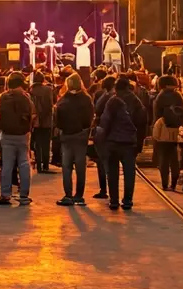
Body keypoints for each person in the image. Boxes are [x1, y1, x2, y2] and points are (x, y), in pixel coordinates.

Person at [97, 77, 140, 211]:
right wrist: (139, 141)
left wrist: (103, 139)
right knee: (129, 172)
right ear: (129, 87)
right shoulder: (136, 101)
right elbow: (143, 121)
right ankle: (128, 200)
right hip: (130, 143)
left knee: (113, 172)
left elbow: (105, 121)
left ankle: (114, 200)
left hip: (113, 142)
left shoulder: (112, 101)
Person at [0, 72, 34, 206]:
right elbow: (31, 115)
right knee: (24, 163)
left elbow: (0, 114)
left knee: (7, 165)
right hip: (23, 135)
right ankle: (24, 195)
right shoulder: (26, 98)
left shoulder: (4, 97)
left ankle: (5, 195)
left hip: (7, 135)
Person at [54, 73, 94, 206]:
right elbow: (90, 117)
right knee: (80, 166)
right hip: (81, 135)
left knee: (67, 166)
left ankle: (68, 194)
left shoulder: (63, 100)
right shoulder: (86, 99)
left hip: (67, 136)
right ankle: (79, 195)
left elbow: (57, 119)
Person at [151, 75, 183, 190]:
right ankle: (174, 184)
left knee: (163, 158)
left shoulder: (160, 97)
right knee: (174, 158)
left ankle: (165, 184)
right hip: (175, 131)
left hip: (162, 132)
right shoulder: (178, 96)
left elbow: (156, 115)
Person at [90, 75, 117, 200]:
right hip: (111, 132)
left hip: (102, 132)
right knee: (109, 163)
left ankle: (104, 190)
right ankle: (111, 192)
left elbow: (96, 111)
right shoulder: (114, 97)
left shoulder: (103, 96)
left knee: (103, 162)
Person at [30, 72, 55, 174]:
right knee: (46, 143)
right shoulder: (48, 90)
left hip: (35, 121)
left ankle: (39, 164)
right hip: (46, 121)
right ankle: (45, 165)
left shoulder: (31, 90)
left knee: (37, 144)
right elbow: (50, 104)